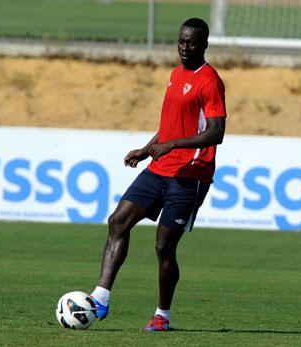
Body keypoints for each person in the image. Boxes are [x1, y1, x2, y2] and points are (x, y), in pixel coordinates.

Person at [89, 17, 227, 332]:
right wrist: (147, 148)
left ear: (204, 45)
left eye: (191, 42)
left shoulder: (210, 81)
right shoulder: (176, 75)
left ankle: (162, 315)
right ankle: (101, 297)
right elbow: (171, 127)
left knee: (164, 247)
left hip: (191, 174)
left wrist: (173, 144)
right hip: (159, 167)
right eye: (181, 41)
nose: (184, 47)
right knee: (118, 221)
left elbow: (216, 132)